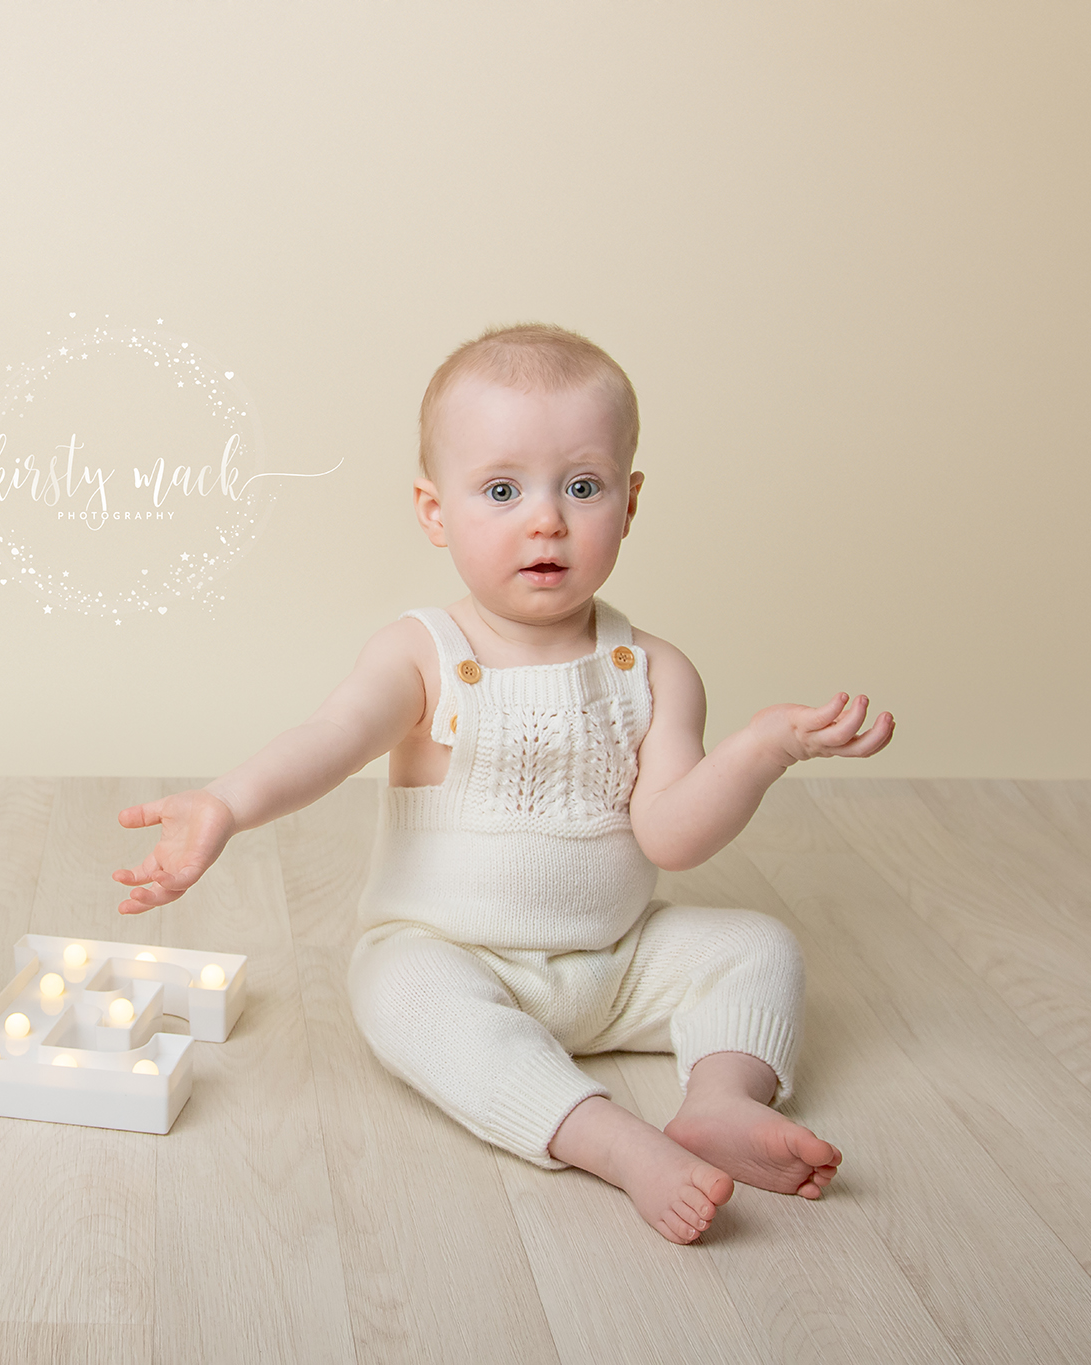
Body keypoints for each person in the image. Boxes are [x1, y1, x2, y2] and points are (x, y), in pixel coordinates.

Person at [111, 323, 894, 1244]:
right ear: (436, 511)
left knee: (759, 946)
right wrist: (228, 803)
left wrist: (761, 749)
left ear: (631, 502)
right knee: (403, 995)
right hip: (455, 953)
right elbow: (330, 738)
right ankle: (612, 1139)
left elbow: (673, 836)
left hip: (614, 961)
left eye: (583, 485)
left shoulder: (656, 670)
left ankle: (720, 1099)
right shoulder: (425, 655)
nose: (546, 519)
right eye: (501, 489)